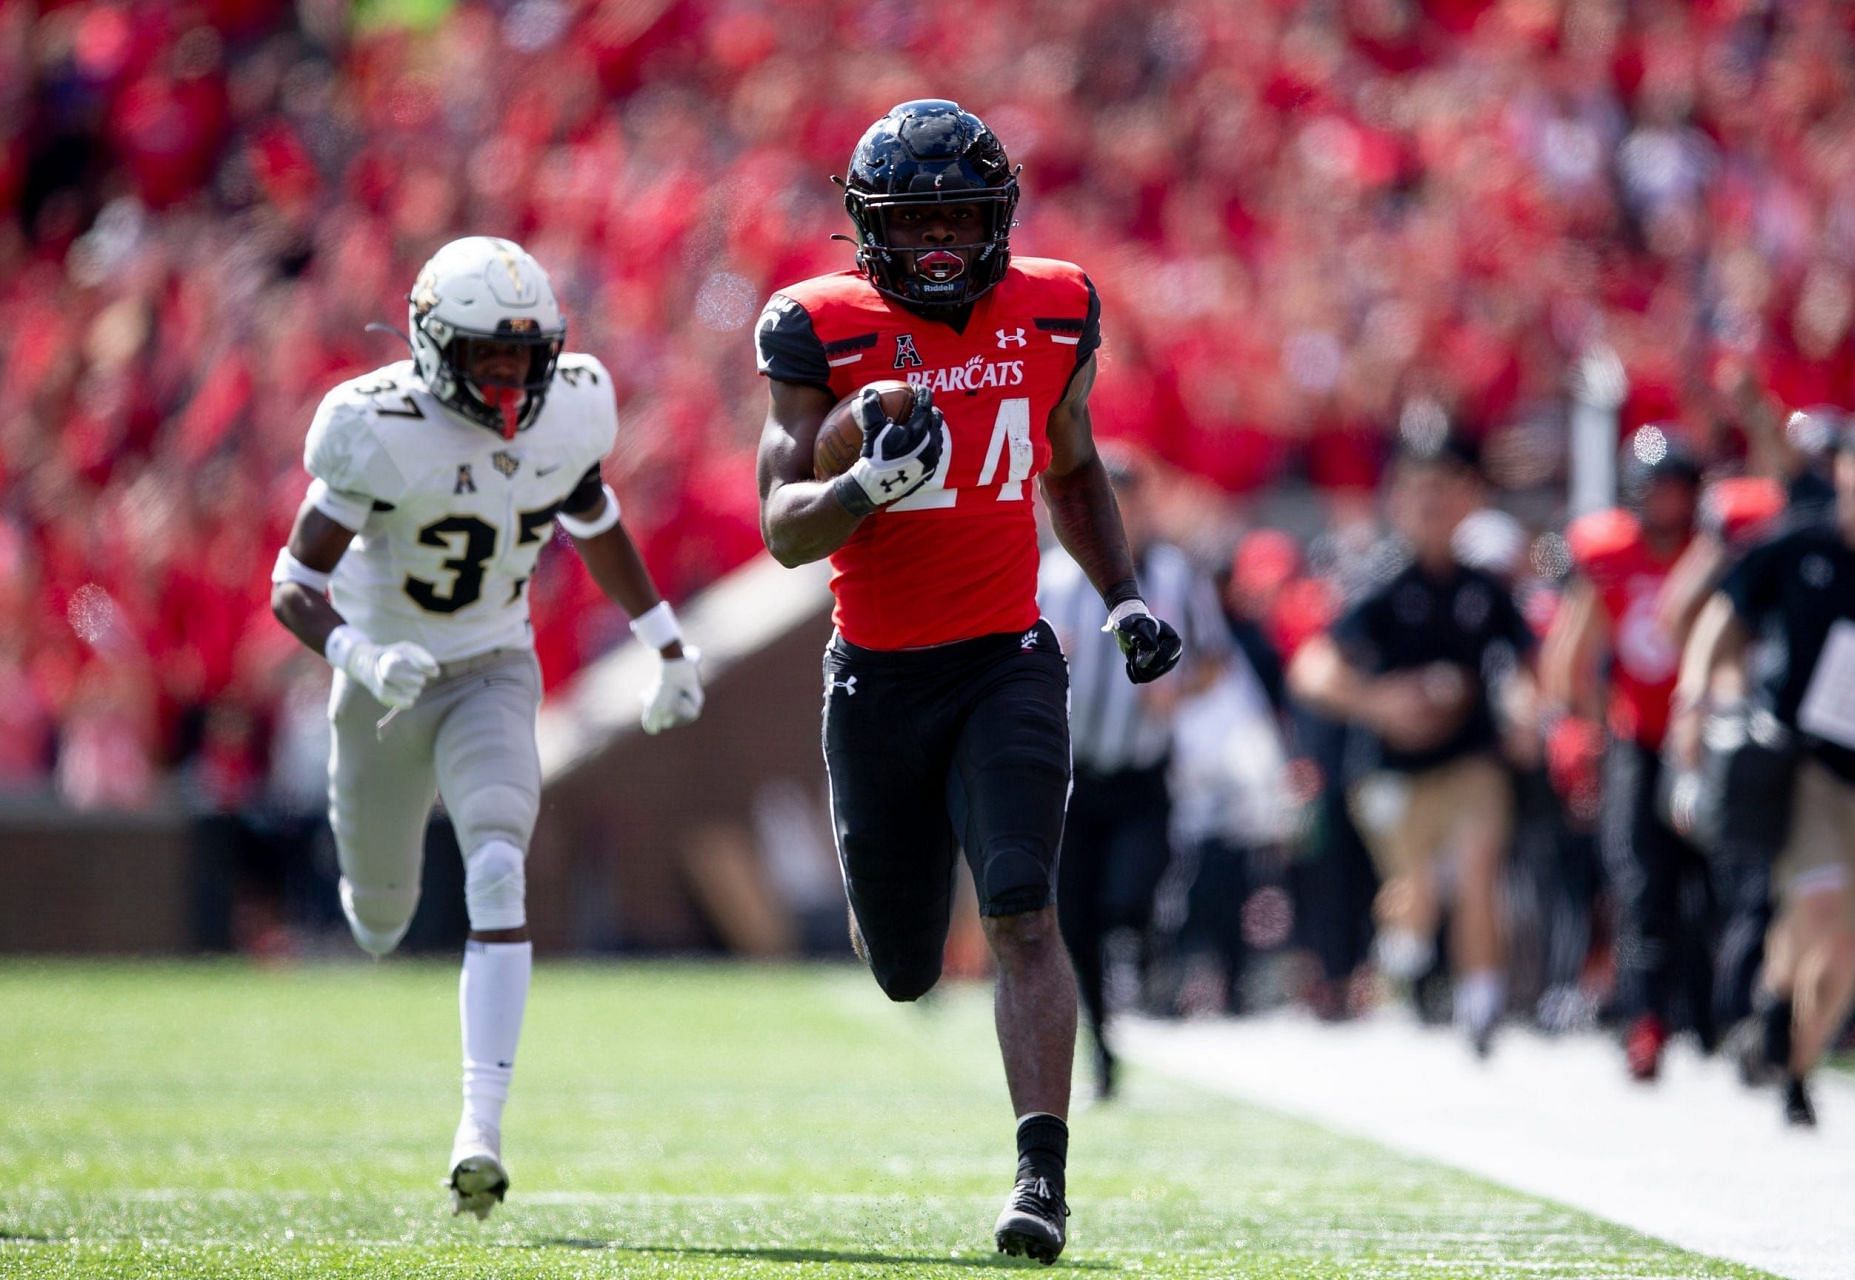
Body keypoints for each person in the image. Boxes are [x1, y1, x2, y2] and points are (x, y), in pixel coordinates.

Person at [753, 101, 1183, 1264]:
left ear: (999, 218)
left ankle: (1040, 1177)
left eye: (960, 215)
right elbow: (783, 527)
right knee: (900, 964)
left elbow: (1077, 469)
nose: (941, 241)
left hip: (1007, 656)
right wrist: (860, 485)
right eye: (918, 218)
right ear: (869, 228)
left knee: (1021, 906)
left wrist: (1126, 597)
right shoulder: (818, 327)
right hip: (878, 678)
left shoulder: (1054, 308)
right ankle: (907, 908)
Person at [268, 236, 704, 1217]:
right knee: (378, 917)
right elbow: (293, 584)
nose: (511, 376)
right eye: (488, 357)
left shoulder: (573, 409)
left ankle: (481, 1128)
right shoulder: (374, 425)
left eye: (524, 356)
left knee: (499, 862)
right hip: (382, 684)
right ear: (432, 347)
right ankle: (377, 906)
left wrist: (667, 644)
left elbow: (596, 522)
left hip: (494, 668)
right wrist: (364, 655)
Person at [1672, 410, 1855, 1125]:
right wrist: (1696, 696)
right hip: (1804, 766)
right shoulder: (1797, 544)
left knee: (1849, 946)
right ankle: (1779, 1002)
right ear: (1839, 470)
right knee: (1819, 902)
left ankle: (1796, 1061)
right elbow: (1725, 614)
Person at [1289, 432, 1537, 1056]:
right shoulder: (1380, 585)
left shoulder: (1485, 588)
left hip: (1469, 759)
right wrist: (1382, 703)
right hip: (1391, 770)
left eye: (1444, 491)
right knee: (1415, 890)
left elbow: (1533, 665)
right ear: (1398, 501)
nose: (1432, 505)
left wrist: (1530, 715)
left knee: (1480, 867)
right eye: (1419, 492)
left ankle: (1481, 1004)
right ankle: (1401, 956)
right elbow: (1312, 670)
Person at [1035, 450, 1232, 1097]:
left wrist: (1177, 693)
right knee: (1077, 922)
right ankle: (1100, 1045)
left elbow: (1214, 659)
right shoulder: (1058, 576)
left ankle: (1143, 959)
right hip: (1076, 774)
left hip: (1144, 771)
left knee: (1129, 899)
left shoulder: (1176, 576)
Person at [1543, 428, 1709, 1080]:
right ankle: (1645, 1020)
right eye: (1653, 490)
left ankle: (1714, 1013)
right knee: (1640, 884)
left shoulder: (1711, 549)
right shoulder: (1611, 555)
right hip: (1638, 735)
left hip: (1702, 735)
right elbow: (1568, 657)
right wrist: (1585, 730)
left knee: (1717, 881)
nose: (1662, 504)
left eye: (1673, 490)